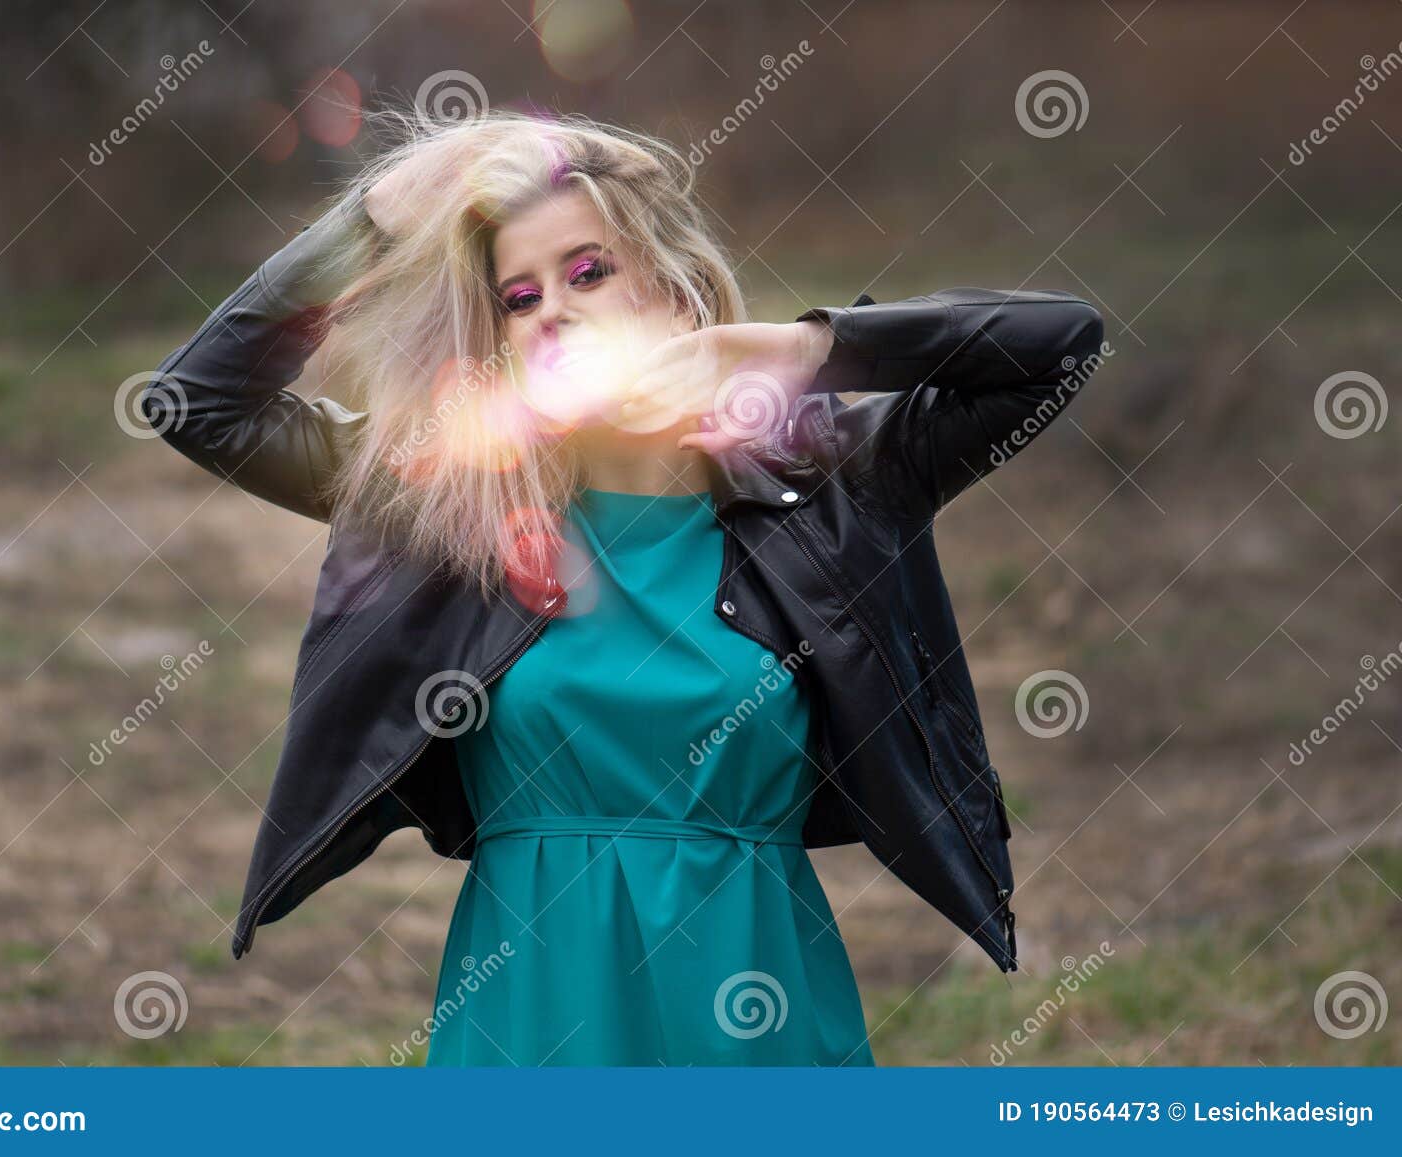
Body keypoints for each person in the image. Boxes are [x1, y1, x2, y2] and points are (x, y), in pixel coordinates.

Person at [139, 110, 1106, 1065]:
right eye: (517, 298)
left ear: (677, 293)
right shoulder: (448, 503)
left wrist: (808, 347)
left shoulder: (832, 484)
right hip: (527, 1024)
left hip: (759, 1026)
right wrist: (366, 225)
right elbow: (195, 402)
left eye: (588, 271)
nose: (552, 307)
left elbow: (1060, 343)